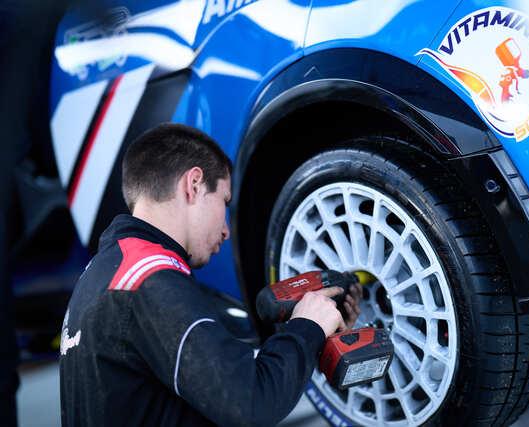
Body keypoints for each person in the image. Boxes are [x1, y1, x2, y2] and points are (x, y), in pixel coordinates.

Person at [59, 123, 362, 426]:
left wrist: (312, 339)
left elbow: (208, 389)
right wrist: (307, 327)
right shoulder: (150, 280)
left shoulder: (104, 274)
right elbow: (251, 404)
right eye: (224, 202)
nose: (226, 230)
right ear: (193, 185)